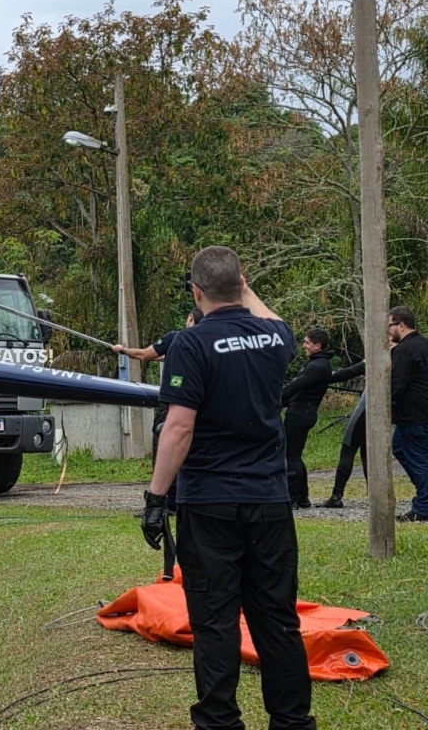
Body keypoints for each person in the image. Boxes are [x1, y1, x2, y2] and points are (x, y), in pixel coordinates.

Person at [142, 245, 316, 730]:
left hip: (210, 502)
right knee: (276, 618)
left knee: (216, 621)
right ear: (241, 284)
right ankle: (293, 721)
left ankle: (219, 722)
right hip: (269, 500)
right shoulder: (274, 338)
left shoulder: (191, 345)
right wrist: (243, 284)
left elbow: (178, 428)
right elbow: (273, 317)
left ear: (196, 293)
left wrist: (157, 498)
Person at [114, 308, 203, 509]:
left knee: (163, 445)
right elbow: (161, 356)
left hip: (171, 402)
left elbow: (145, 354)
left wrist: (123, 350)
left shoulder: (177, 338)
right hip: (197, 403)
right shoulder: (205, 342)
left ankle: (160, 500)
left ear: (190, 318)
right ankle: (178, 499)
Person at [281, 327, 334, 509]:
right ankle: (302, 497)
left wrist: (273, 399)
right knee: (295, 455)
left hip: (300, 414)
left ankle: (294, 497)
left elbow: (295, 387)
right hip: (303, 412)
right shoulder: (318, 364)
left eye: (307, 342)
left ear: (317, 346)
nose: (304, 345)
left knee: (291, 456)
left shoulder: (316, 366)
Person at [389, 306, 428, 522]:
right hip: (420, 412)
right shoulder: (424, 344)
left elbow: (397, 383)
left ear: (401, 325)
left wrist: (387, 406)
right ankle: (424, 494)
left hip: (413, 414)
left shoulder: (405, 350)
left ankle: (423, 506)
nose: (388, 331)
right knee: (400, 448)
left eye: (390, 326)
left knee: (419, 458)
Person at [321, 360, 366, 508]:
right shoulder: (401, 355)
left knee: (348, 447)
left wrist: (318, 375)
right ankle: (375, 494)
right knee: (368, 453)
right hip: (383, 409)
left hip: (365, 405)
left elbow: (347, 373)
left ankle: (336, 496)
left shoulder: (379, 352)